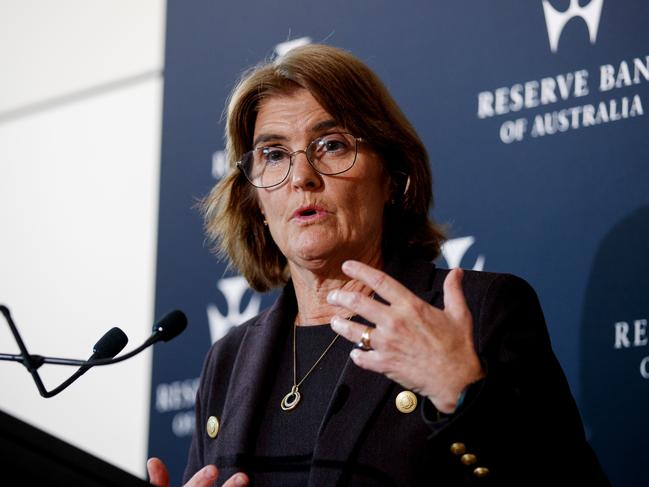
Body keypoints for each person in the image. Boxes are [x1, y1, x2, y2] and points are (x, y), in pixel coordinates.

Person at [147, 44, 608, 486]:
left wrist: (464, 392)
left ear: (393, 177)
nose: (302, 177)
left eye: (330, 144)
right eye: (273, 155)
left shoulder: (478, 312)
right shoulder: (227, 360)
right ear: (255, 200)